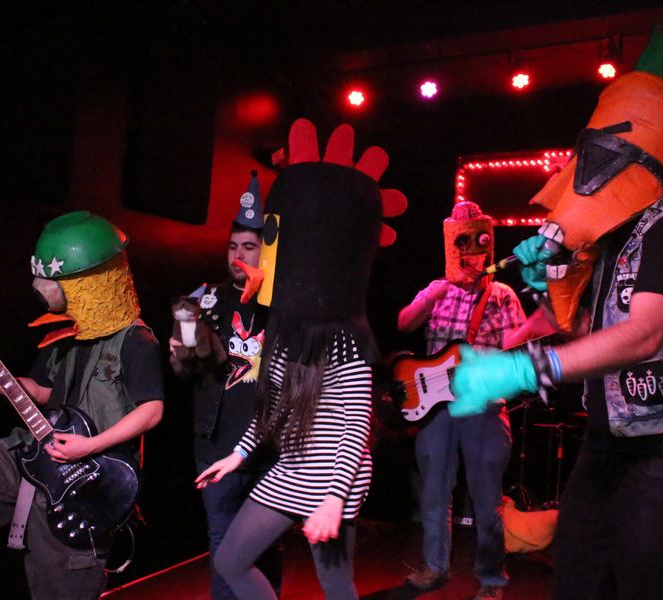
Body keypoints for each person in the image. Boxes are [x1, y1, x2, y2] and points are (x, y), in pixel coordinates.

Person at [447, 3, 663, 596]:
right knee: (581, 580)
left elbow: (645, 332)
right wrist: (546, 288)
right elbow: (592, 328)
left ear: (646, 162)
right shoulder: (617, 238)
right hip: (612, 440)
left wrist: (526, 368)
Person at [197, 118, 407, 600]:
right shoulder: (286, 332)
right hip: (291, 471)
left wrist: (334, 500)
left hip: (335, 477)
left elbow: (355, 427)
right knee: (230, 560)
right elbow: (271, 410)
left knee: (336, 586)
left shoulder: (345, 343)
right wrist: (236, 456)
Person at [0, 211, 164, 600]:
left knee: (62, 575)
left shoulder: (135, 341)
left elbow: (152, 410)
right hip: (38, 446)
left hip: (90, 471)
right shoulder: (63, 337)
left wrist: (90, 445)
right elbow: (40, 391)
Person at [397, 201, 527, 600]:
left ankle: (492, 577)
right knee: (434, 490)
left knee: (486, 496)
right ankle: (435, 566)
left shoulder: (502, 295)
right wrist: (431, 296)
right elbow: (404, 323)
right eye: (461, 245)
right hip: (436, 406)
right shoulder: (437, 289)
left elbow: (520, 345)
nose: (469, 256)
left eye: (475, 246)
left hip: (483, 404)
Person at [168, 173, 281, 600]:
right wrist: (180, 353)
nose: (238, 255)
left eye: (248, 246)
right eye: (233, 246)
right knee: (221, 539)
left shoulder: (279, 304)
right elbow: (187, 371)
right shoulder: (204, 300)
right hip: (215, 443)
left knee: (264, 543)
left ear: (264, 250)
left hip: (266, 444)